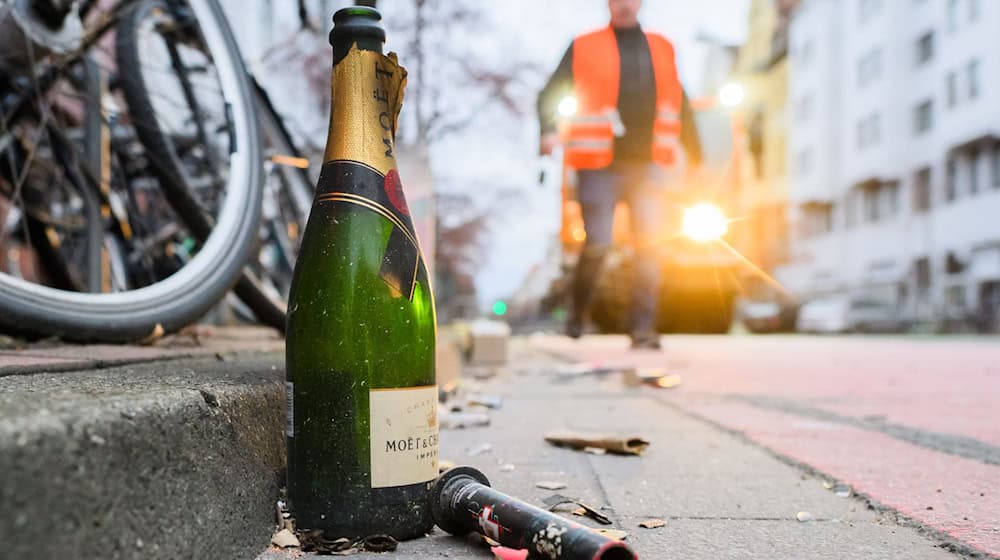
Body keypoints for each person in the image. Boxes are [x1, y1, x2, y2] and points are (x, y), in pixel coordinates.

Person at [538, 0, 703, 350]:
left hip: (649, 165)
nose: (625, 4)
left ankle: (642, 328)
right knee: (598, 242)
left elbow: (679, 97)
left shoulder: (663, 46)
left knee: (650, 248)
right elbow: (551, 89)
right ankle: (577, 314)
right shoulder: (585, 44)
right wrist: (548, 129)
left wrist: (696, 151)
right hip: (599, 165)